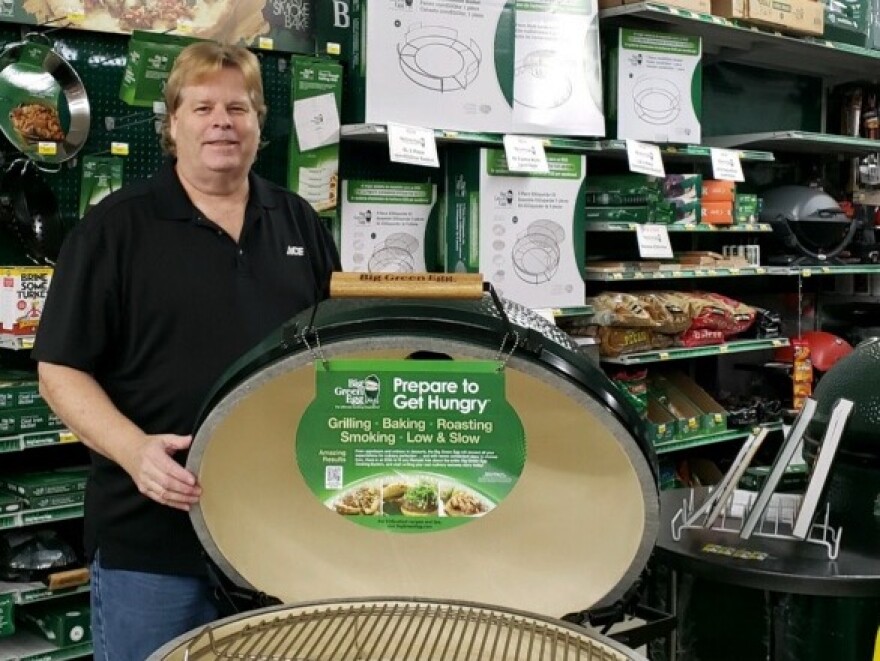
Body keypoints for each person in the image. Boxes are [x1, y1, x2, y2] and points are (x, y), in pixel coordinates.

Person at [31, 41, 340, 660]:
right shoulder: (114, 229)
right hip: (153, 543)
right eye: (201, 108)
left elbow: (334, 350)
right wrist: (134, 451)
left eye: (238, 107)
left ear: (258, 125)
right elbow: (60, 371)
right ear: (171, 125)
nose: (222, 121)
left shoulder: (299, 222)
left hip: (278, 532)